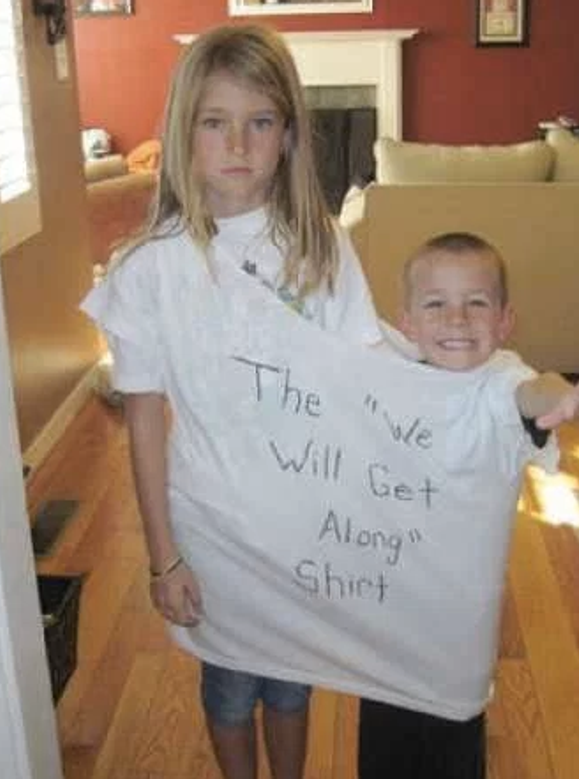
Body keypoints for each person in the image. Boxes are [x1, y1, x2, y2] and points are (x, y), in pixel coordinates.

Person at [80, 24, 383, 779]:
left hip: (301, 520)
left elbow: (367, 381)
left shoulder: (322, 248)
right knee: (230, 685)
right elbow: (144, 420)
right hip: (209, 523)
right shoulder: (149, 270)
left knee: (290, 679)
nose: (239, 144)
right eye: (215, 122)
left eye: (260, 121)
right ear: (184, 133)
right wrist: (163, 556)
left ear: (289, 134)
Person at [357, 231, 579, 779]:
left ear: (505, 321)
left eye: (477, 303)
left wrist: (567, 399)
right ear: (408, 323)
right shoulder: (391, 378)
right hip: (387, 617)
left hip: (458, 634)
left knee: (452, 743)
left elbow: (534, 392)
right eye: (436, 304)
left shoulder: (500, 381)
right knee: (384, 745)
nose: (457, 319)